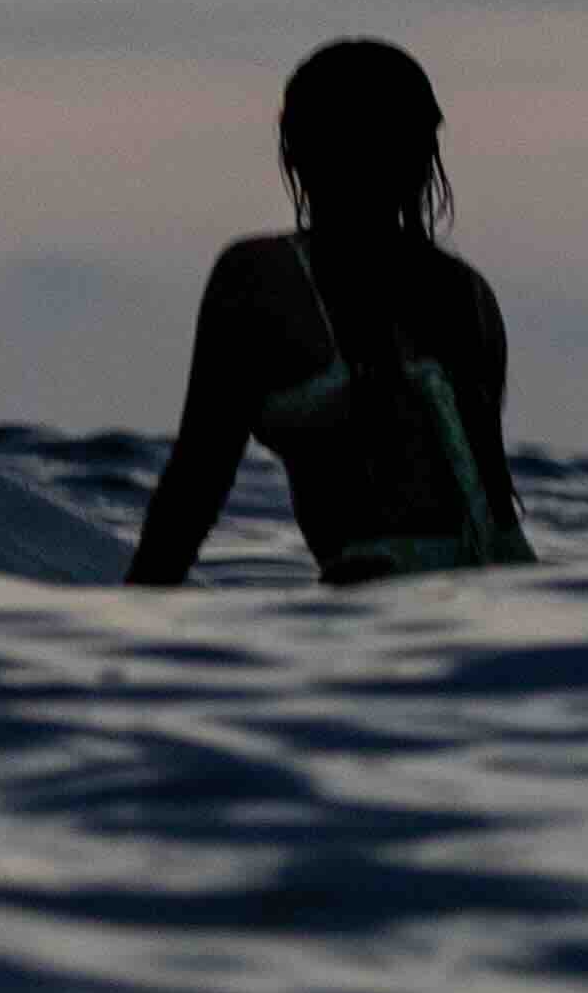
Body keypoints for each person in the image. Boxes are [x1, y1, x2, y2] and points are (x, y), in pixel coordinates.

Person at [123, 35, 534, 585]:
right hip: (507, 602)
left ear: (295, 151)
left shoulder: (260, 277)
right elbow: (486, 498)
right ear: (423, 159)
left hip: (375, 604)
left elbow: (195, 488)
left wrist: (127, 639)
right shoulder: (468, 296)